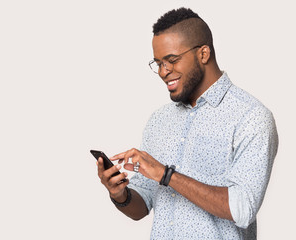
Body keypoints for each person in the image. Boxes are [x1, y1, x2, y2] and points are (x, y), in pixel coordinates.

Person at [96, 7, 278, 239]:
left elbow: (242, 209)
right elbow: (143, 205)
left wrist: (166, 174)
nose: (164, 71)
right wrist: (120, 194)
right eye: (158, 63)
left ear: (203, 54)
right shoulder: (159, 120)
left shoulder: (251, 117)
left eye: (171, 60)